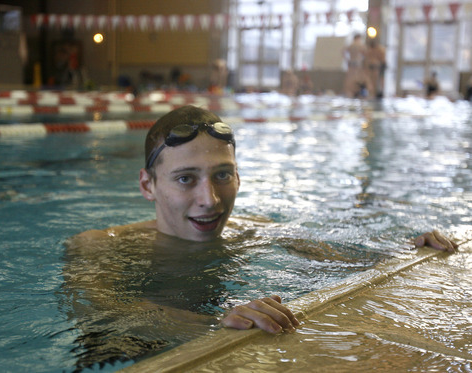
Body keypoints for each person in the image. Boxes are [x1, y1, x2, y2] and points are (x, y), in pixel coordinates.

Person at [66, 105, 458, 368]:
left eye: (222, 175)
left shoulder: (252, 228)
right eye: (186, 179)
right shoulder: (101, 244)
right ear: (148, 185)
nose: (210, 199)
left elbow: (333, 256)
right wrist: (210, 326)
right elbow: (104, 310)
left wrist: (404, 248)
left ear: (238, 177)